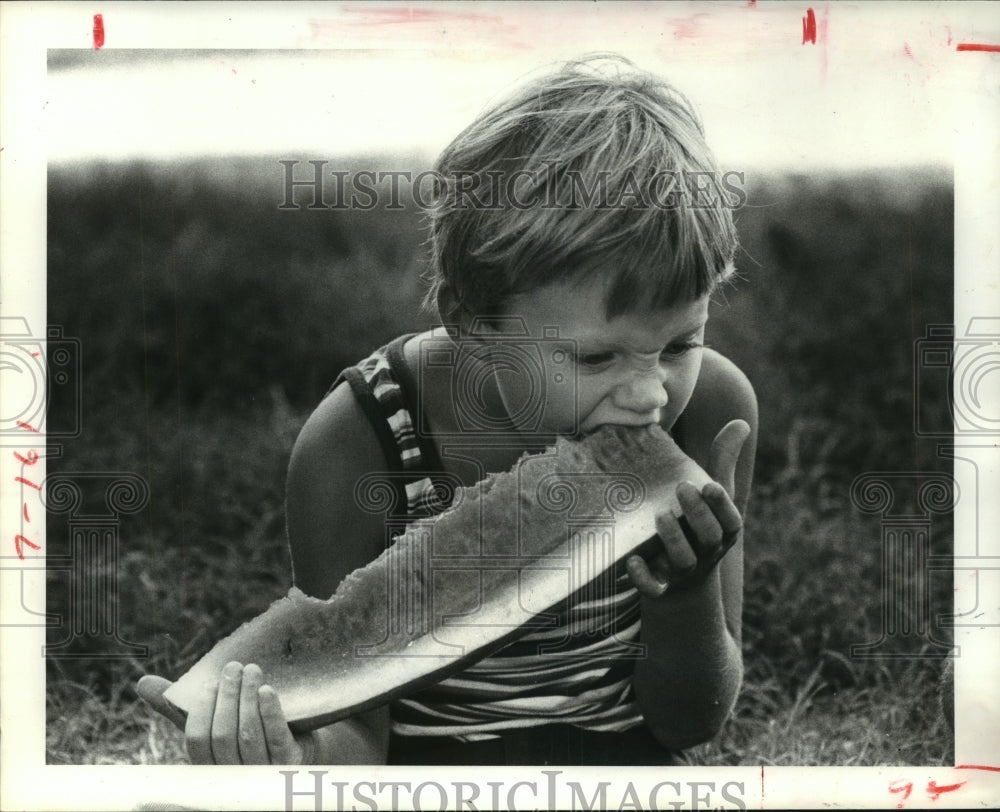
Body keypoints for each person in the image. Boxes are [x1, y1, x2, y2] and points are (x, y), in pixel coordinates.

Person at [139, 53, 758, 766]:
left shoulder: (711, 408)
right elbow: (360, 735)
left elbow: (690, 725)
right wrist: (291, 755)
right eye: (596, 359)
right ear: (473, 324)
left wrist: (687, 593)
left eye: (681, 342)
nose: (651, 395)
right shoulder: (360, 440)